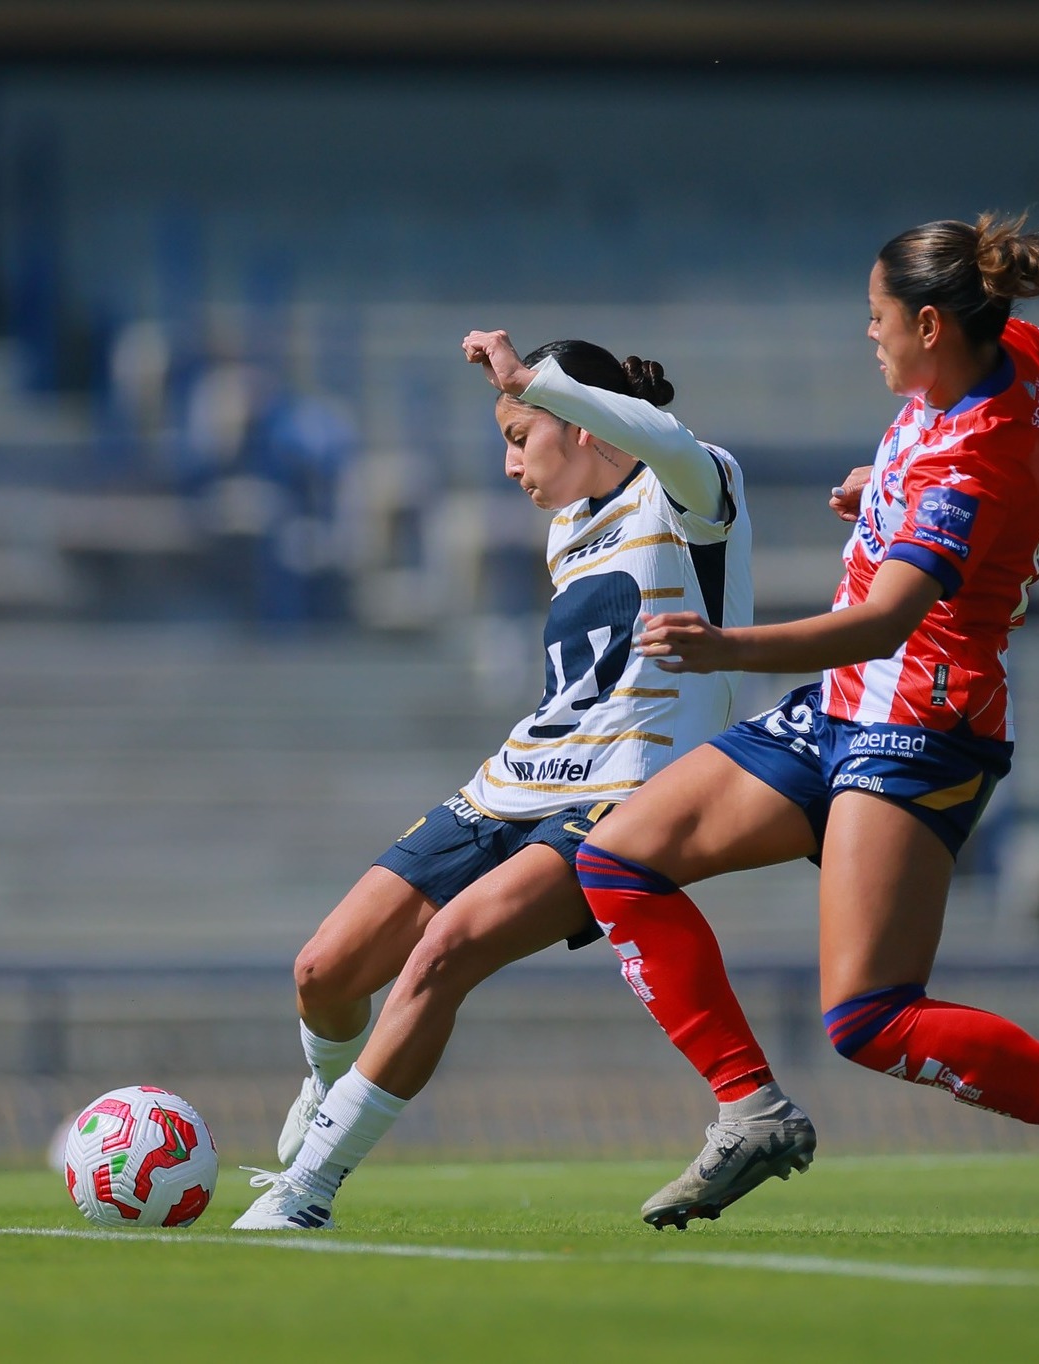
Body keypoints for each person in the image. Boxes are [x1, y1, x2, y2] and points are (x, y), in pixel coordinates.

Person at [577, 213, 1039, 1236]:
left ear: (927, 324)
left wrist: (723, 645)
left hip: (920, 722)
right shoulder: (1010, 348)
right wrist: (889, 493)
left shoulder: (968, 463)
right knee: (616, 860)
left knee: (869, 1017)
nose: (865, 333)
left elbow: (882, 622)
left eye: (875, 316)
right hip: (846, 706)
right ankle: (750, 1109)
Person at [232, 328, 753, 1229]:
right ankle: (326, 1094)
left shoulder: (689, 488)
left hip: (620, 800)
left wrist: (528, 377)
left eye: (520, 437)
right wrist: (529, 397)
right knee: (324, 970)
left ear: (580, 423)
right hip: (512, 784)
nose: (511, 465)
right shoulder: (567, 530)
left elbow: (663, 441)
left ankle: (307, 1189)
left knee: (447, 951)